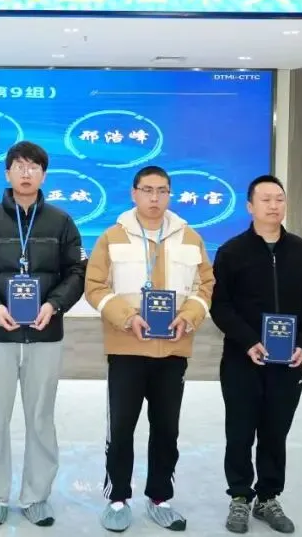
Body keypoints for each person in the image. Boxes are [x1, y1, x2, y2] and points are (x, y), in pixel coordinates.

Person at [0, 141, 86, 528]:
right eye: (19, 166)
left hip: (45, 333)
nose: (26, 173)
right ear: (7, 173)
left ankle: (36, 496)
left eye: (34, 167)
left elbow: (76, 272)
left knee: (41, 417)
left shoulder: (62, 221)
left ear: (44, 175)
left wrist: (54, 305)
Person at [83, 166, 214, 533]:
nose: (155, 198)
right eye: (147, 190)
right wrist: (127, 318)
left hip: (173, 350)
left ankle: (160, 497)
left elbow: (206, 286)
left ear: (170, 194)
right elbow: (94, 285)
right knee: (121, 428)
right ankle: (117, 498)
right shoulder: (113, 237)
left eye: (162, 191)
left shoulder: (190, 237)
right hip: (127, 348)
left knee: (166, 429)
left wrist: (188, 316)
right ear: (134, 193)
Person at [210, 175, 302, 534]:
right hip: (242, 360)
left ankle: (268, 497)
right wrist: (248, 341)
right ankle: (240, 496)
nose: (274, 205)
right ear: (250, 206)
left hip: (287, 363)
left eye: (279, 199)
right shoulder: (231, 252)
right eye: (265, 199)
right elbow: (220, 306)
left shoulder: (301, 251)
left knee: (275, 433)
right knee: (240, 431)